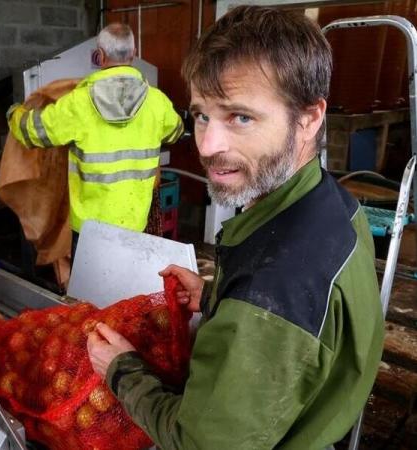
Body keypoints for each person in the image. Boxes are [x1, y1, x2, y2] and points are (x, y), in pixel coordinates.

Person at [86, 6, 384, 449]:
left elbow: (201, 442)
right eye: (202, 114)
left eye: (240, 117)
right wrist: (214, 298)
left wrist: (123, 370)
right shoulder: (330, 200)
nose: (207, 146)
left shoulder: (271, 291)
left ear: (308, 118)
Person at [7, 23, 183, 258]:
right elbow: (176, 132)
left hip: (90, 228)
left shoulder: (78, 103)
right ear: (133, 54)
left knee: (90, 292)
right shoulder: (157, 102)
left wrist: (14, 113)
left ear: (99, 56)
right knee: (127, 287)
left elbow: (33, 132)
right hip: (135, 221)